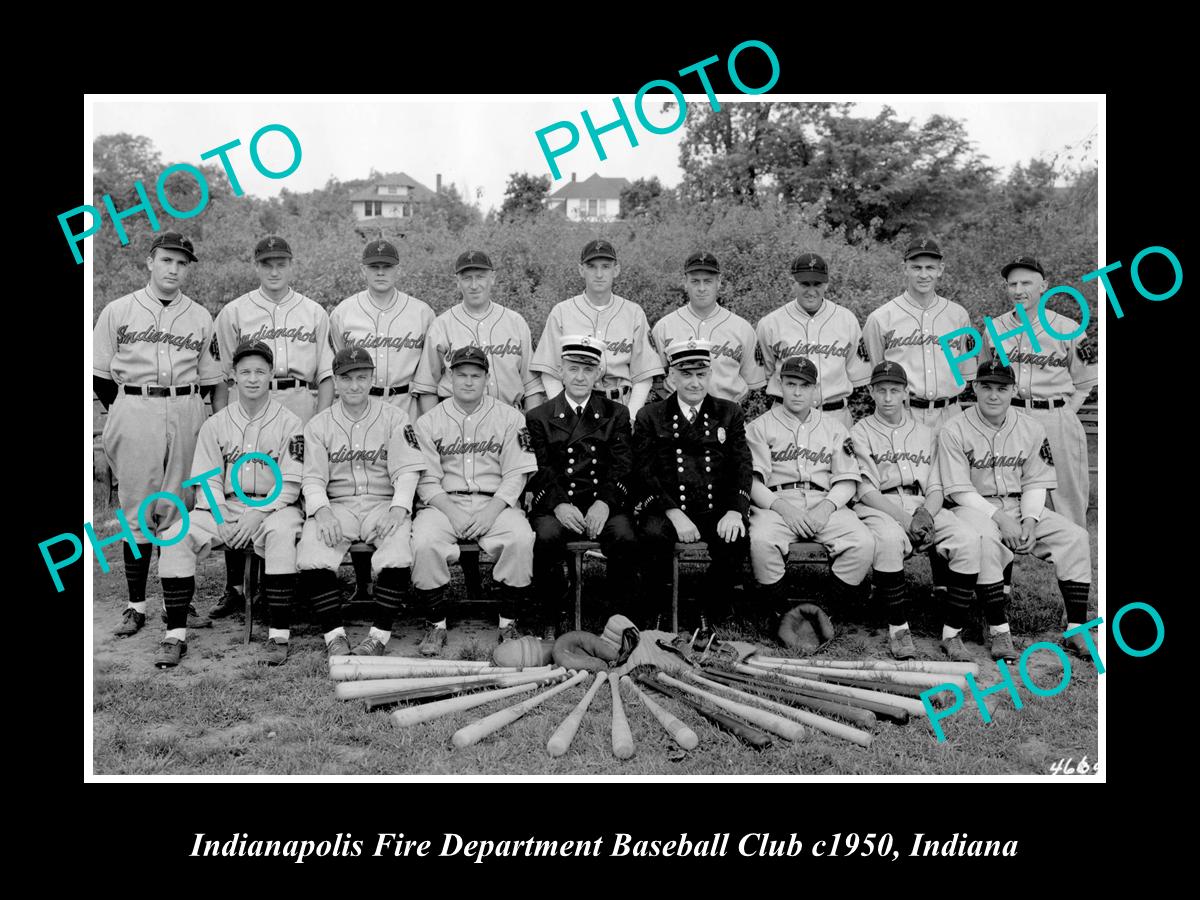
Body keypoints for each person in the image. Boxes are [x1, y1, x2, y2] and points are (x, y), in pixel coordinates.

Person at [93, 231, 226, 637]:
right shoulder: (118, 310)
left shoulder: (201, 316)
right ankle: (135, 606)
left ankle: (177, 605)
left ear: (187, 268)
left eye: (181, 262)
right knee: (136, 507)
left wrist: (216, 424)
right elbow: (99, 374)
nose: (173, 268)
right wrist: (124, 408)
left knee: (180, 505)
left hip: (187, 408)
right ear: (150, 262)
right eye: (167, 260)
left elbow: (213, 379)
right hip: (134, 406)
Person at [153, 341, 305, 667]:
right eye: (245, 371)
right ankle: (175, 635)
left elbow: (292, 482)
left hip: (274, 507)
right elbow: (207, 480)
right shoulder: (216, 423)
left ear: (271, 375)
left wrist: (258, 514)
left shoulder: (291, 423)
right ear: (233, 376)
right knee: (174, 535)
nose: (252, 378)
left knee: (280, 535)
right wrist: (221, 518)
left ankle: (279, 635)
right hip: (224, 507)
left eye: (260, 371)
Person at [210, 235, 335, 621]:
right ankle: (238, 587)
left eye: (281, 262)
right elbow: (221, 376)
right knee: (243, 485)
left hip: (298, 396)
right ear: (256, 266)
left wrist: (319, 421)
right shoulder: (234, 311)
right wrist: (221, 418)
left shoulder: (314, 311)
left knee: (292, 490)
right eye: (267, 263)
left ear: (291, 264)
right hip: (244, 400)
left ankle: (286, 583)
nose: (274, 270)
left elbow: (326, 374)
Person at [850, 362, 1011, 660]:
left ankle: (952, 633)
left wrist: (925, 513)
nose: (887, 397)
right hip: (881, 505)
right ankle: (898, 628)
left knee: (966, 538)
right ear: (871, 392)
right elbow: (866, 490)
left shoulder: (926, 432)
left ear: (905, 393)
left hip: (924, 503)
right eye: (881, 390)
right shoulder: (859, 432)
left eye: (894, 390)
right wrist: (906, 520)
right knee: (887, 540)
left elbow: (937, 485)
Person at [937, 359, 1093, 661]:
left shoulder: (1031, 427)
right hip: (973, 506)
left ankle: (1076, 627)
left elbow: (1036, 481)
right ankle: (999, 629)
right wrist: (1001, 520)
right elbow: (958, 490)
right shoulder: (954, 428)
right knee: (984, 538)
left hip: (1020, 504)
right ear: (975, 388)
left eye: (1002, 388)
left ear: (1013, 391)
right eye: (987, 387)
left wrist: (1031, 520)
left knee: (1074, 537)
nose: (994, 395)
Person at [296, 347, 427, 658]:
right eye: (346, 378)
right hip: (338, 504)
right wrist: (322, 511)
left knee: (396, 549)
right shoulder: (318, 424)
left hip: (383, 502)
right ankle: (334, 635)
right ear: (335, 382)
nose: (354, 385)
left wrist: (399, 507)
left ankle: (379, 635)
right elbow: (312, 479)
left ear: (372, 380)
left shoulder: (396, 417)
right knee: (313, 549)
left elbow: (408, 470)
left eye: (361, 377)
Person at [410, 347, 539, 655]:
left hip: (495, 502)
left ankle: (509, 623)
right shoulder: (428, 422)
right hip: (443, 503)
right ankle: (435, 624)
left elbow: (517, 475)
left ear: (487, 378)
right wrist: (452, 512)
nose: (468, 382)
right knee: (424, 542)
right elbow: (426, 480)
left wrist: (492, 510)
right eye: (461, 375)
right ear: (449, 377)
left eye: (475, 376)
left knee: (520, 538)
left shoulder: (511, 418)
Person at [329, 238, 435, 606]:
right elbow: (337, 367)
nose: (380, 272)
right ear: (363, 269)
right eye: (373, 266)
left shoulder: (421, 312)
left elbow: (428, 372)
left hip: (406, 400)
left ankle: (400, 580)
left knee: (403, 487)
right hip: (360, 404)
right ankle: (362, 582)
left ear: (397, 269)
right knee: (361, 483)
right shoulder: (344, 312)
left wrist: (422, 417)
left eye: (386, 266)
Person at [745, 356, 876, 642]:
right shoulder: (759, 426)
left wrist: (826, 509)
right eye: (790, 384)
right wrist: (785, 510)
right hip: (776, 501)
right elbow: (752, 483)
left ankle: (824, 612)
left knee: (863, 542)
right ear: (780, 384)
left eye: (804, 386)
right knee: (762, 541)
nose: (796, 392)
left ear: (815, 389)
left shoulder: (834, 427)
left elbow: (847, 480)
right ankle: (780, 615)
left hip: (824, 499)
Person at [632, 340, 751, 637]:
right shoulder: (651, 415)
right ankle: (656, 609)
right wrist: (673, 512)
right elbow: (644, 470)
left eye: (701, 374)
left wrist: (736, 511)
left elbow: (742, 466)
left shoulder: (729, 412)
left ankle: (712, 606)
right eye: (686, 375)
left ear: (710, 375)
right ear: (672, 377)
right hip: (668, 505)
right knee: (651, 536)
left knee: (735, 539)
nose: (694, 382)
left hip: (714, 507)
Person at [525, 335, 638, 636]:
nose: (579, 376)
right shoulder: (539, 416)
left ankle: (618, 619)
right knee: (546, 536)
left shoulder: (616, 413)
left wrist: (605, 502)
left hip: (602, 501)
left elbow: (623, 465)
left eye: (588, 370)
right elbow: (540, 468)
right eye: (573, 368)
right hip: (558, 502)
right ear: (560, 370)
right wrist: (559, 503)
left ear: (598, 373)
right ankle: (550, 614)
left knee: (625, 537)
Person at [985, 255, 1097, 527]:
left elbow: (1086, 380)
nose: (1018, 290)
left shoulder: (1068, 328)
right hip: (1009, 416)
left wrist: (1064, 413)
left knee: (1066, 494)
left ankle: (1073, 560)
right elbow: (986, 372)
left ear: (1044, 286)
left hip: (1055, 416)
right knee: (1002, 488)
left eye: (1026, 283)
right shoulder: (994, 328)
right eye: (1012, 284)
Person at [531, 239, 662, 422]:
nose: (599, 274)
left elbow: (643, 375)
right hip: (575, 408)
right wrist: (565, 414)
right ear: (581, 270)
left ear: (616, 270)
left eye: (606, 266)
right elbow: (550, 372)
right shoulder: (562, 312)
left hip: (621, 406)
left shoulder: (633, 313)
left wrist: (630, 417)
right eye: (592, 266)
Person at [863, 237, 977, 435]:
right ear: (904, 268)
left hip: (950, 414)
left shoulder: (958, 315)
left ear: (940, 269)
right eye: (916, 268)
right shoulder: (881, 318)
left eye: (930, 268)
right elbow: (875, 374)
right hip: (902, 413)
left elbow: (966, 373)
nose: (923, 275)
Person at [412, 250, 544, 413]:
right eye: (467, 278)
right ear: (457, 282)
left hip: (509, 418)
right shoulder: (442, 325)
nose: (474, 285)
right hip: (457, 420)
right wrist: (435, 430)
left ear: (493, 278)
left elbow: (531, 386)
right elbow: (427, 387)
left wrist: (531, 428)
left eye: (480, 276)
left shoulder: (515, 322)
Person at [755, 252, 872, 427]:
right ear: (793, 283)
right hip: (784, 419)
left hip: (835, 417)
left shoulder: (846, 320)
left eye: (817, 284)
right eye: (804, 284)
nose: (811, 291)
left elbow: (858, 375)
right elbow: (765, 373)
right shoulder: (770, 323)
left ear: (827, 284)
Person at [650, 251, 766, 403]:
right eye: (695, 281)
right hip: (676, 416)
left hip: (728, 415)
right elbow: (656, 381)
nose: (702, 288)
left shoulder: (742, 328)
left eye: (708, 281)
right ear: (685, 282)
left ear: (719, 282)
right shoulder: (664, 326)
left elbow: (754, 384)